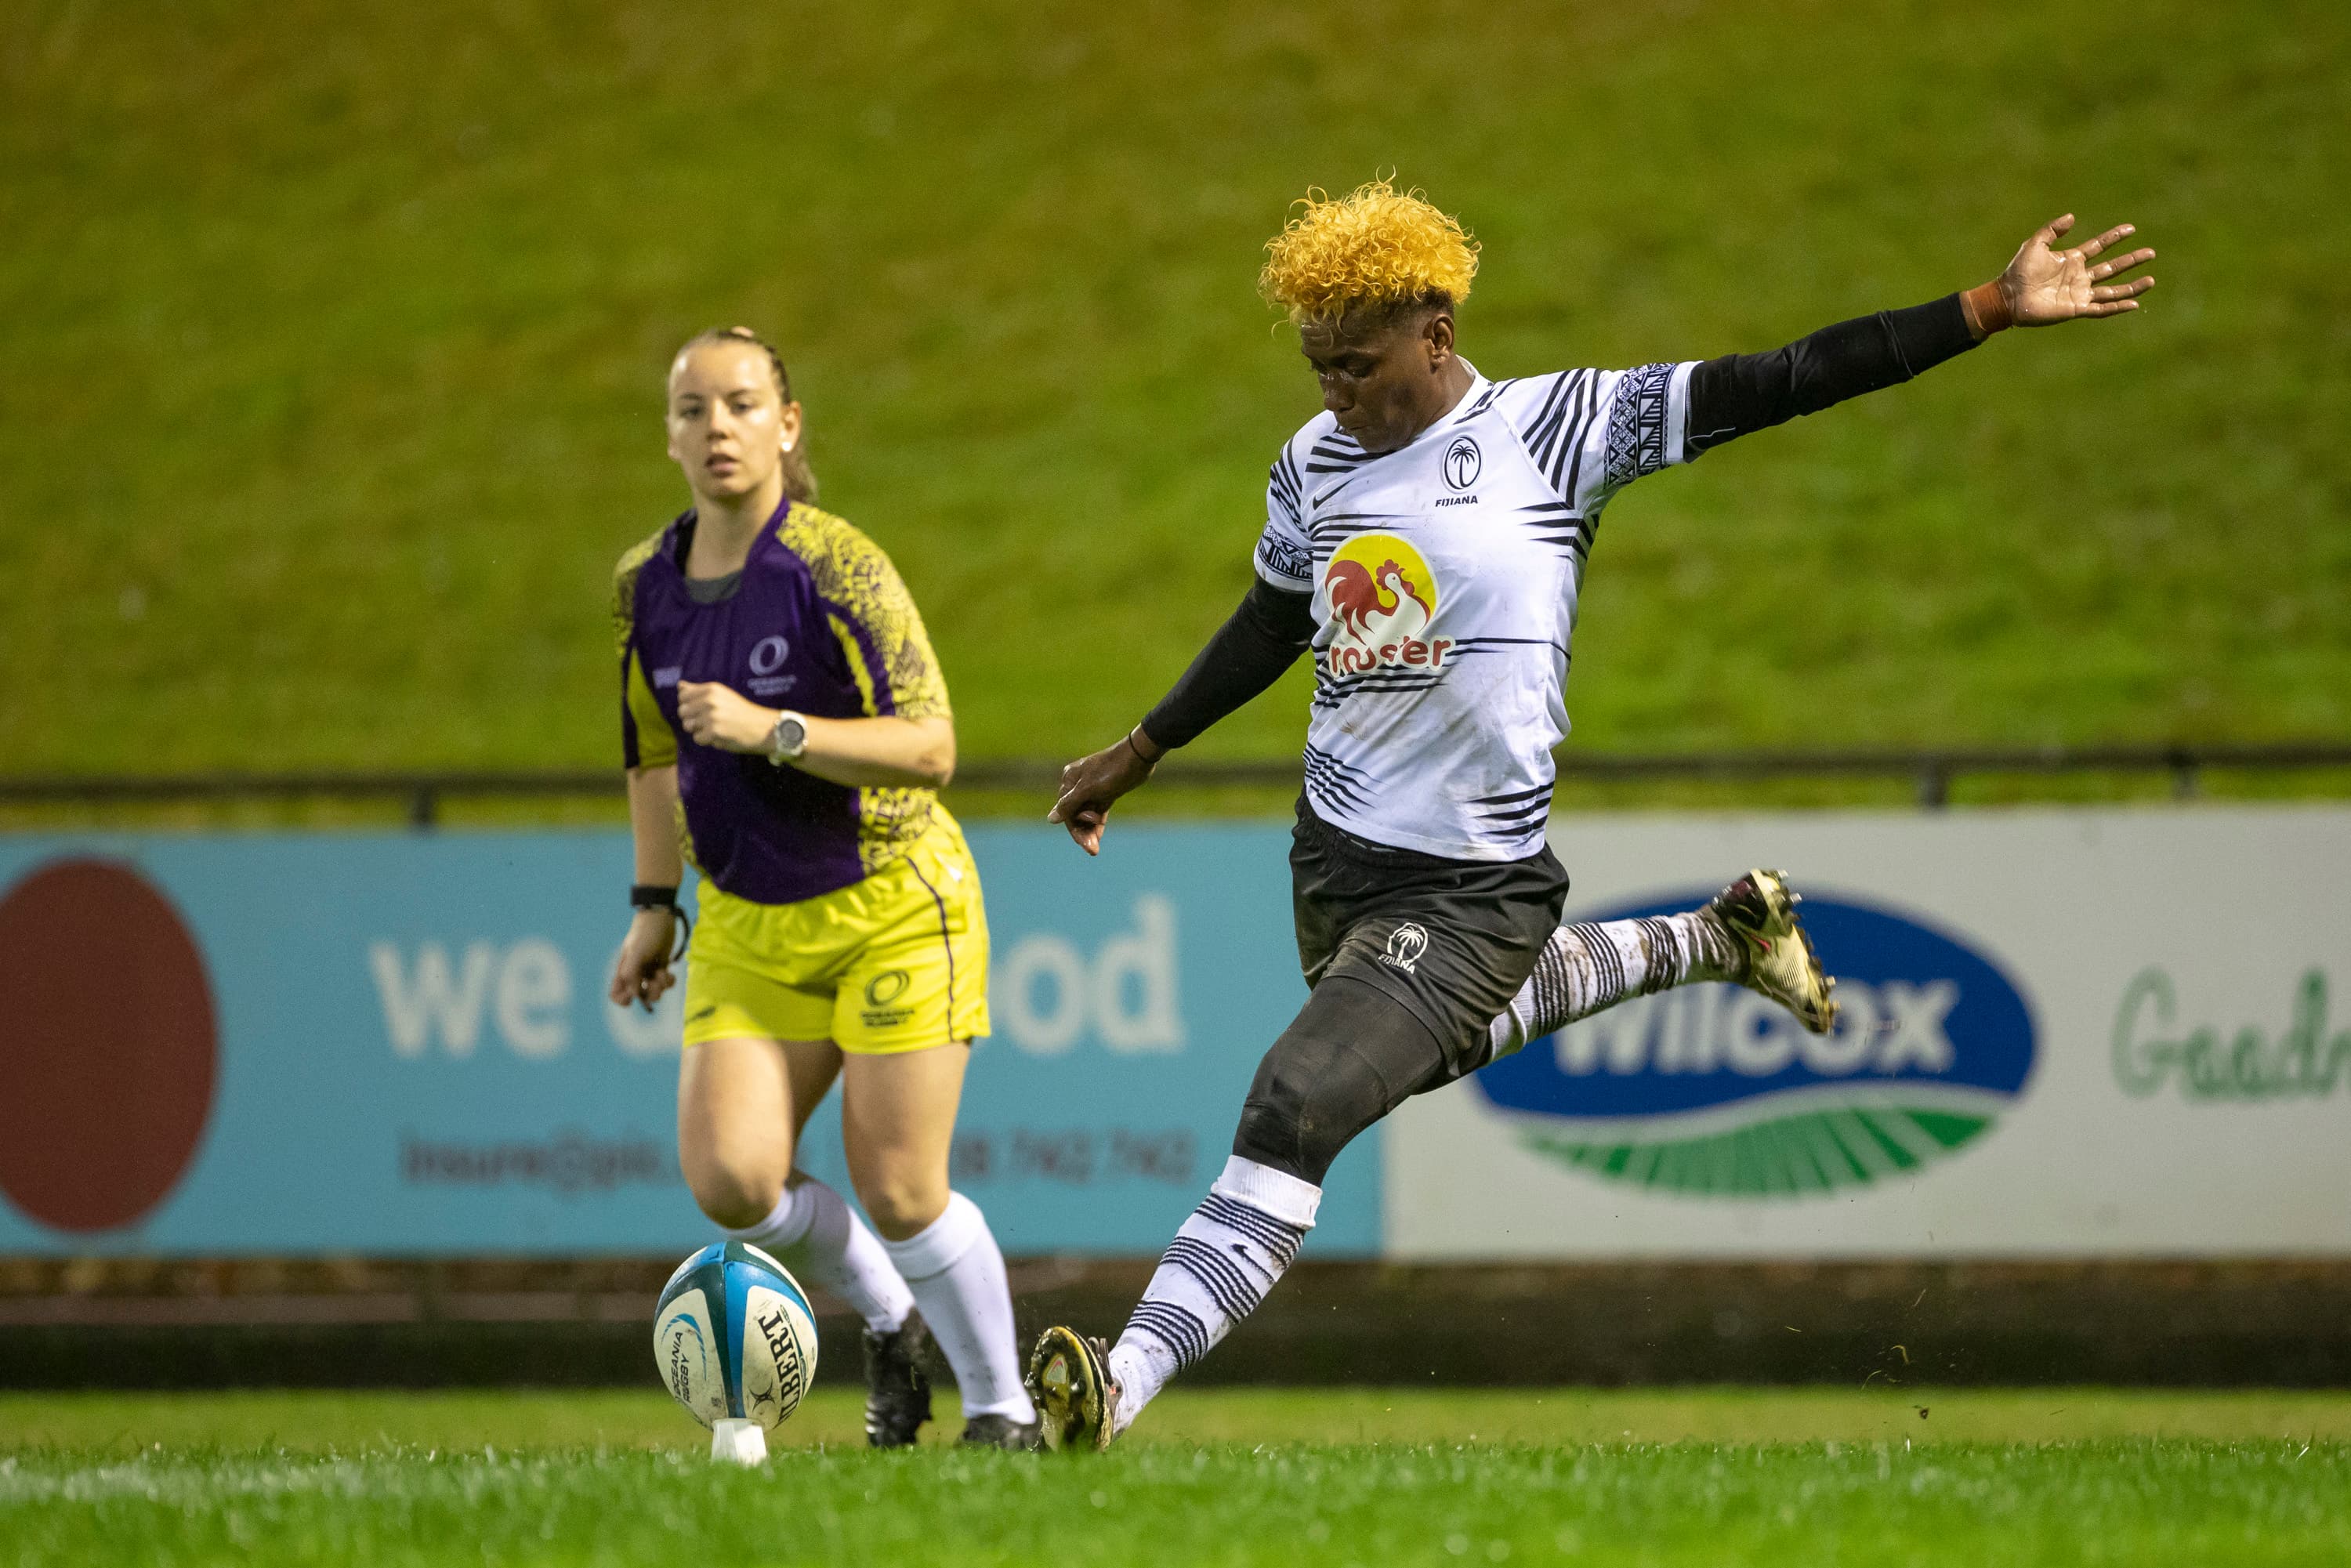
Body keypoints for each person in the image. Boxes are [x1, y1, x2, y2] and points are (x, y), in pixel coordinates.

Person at [1026, 182, 2154, 1450]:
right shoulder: (1312, 461)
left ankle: (1117, 1384)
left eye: (1356, 363)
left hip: (1468, 890)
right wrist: (1144, 745)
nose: (1335, 388)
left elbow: (1778, 377)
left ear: (1436, 333)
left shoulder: (1559, 429)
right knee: (1434, 1043)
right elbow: (1274, 620)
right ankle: (1722, 939)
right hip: (1332, 869)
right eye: (1316, 364)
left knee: (1294, 1106)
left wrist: (1989, 307)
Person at [608, 326, 1039, 1449]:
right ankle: (890, 1318)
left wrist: (773, 732)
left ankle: (1003, 1413)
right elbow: (653, 751)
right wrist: (655, 904)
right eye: (694, 409)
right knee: (732, 1182)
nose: (718, 428)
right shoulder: (646, 587)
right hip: (750, 920)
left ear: (786, 425)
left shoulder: (837, 566)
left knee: (901, 1189)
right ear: (669, 434)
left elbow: (935, 746)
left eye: (742, 405)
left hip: (894, 898)